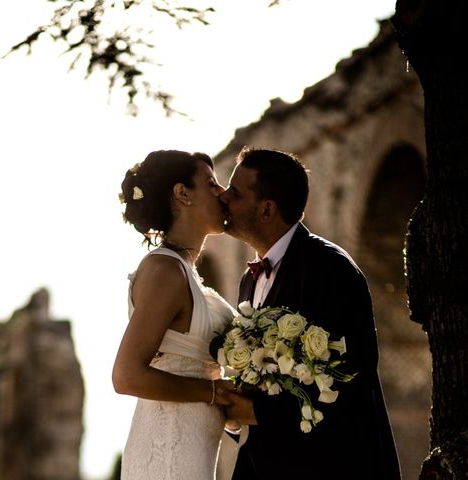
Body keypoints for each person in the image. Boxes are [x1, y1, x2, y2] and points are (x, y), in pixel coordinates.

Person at [218, 147, 402, 479]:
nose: (223, 198)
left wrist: (256, 410)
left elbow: (349, 381)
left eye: (235, 193)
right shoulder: (250, 279)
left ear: (267, 209)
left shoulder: (330, 269)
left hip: (329, 465)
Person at [112, 150, 238, 479]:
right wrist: (214, 392)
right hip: (167, 454)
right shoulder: (164, 270)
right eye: (211, 184)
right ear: (183, 194)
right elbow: (126, 375)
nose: (223, 192)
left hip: (189, 451)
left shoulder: (182, 271)